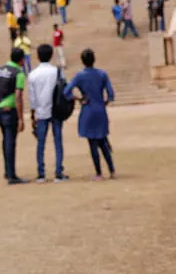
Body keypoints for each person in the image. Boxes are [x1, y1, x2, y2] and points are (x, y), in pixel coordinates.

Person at [63, 49, 116, 180]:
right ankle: (111, 169)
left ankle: (98, 173)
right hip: (100, 109)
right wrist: (105, 102)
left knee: (92, 143)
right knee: (103, 141)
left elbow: (66, 91)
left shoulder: (79, 76)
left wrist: (78, 98)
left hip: (88, 110)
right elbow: (111, 93)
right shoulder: (102, 74)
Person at [0, 47, 28, 185]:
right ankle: (12, 175)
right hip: (9, 110)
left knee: (5, 140)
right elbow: (18, 95)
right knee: (10, 141)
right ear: (22, 60)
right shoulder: (19, 73)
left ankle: (7, 171)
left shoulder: (0, 70)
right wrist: (21, 118)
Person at [27, 44, 67, 183]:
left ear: (38, 56)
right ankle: (58, 172)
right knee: (58, 141)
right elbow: (64, 89)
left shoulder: (32, 74)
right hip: (56, 110)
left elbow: (32, 98)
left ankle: (41, 173)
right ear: (51, 56)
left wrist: (33, 115)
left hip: (41, 110)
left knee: (41, 143)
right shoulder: (57, 71)